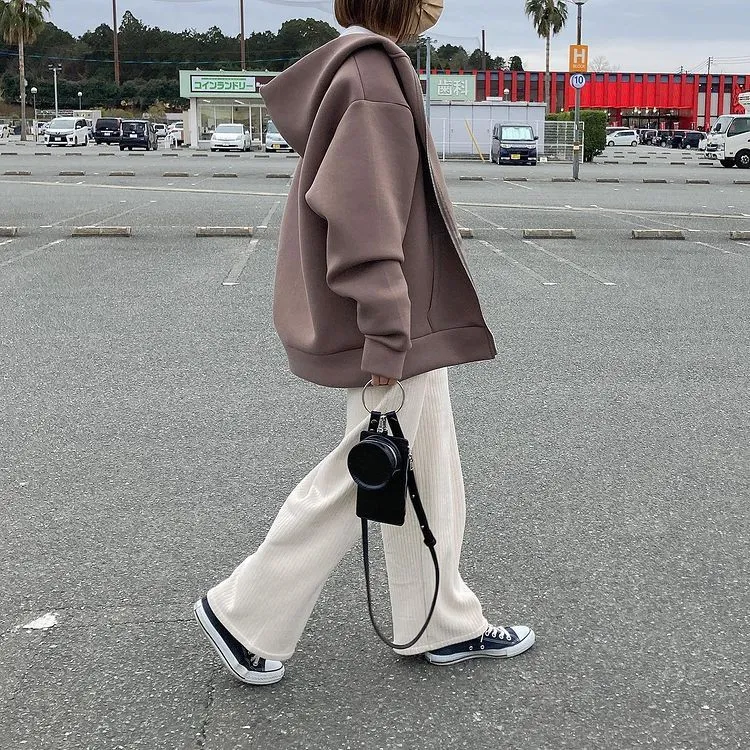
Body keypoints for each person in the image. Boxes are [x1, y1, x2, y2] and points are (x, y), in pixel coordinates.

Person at [193, 0, 535, 685]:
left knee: (425, 474)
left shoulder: (353, 71)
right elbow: (365, 224)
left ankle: (439, 622)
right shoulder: (373, 81)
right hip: (395, 326)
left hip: (404, 323)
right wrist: (387, 334)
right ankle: (244, 612)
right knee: (364, 470)